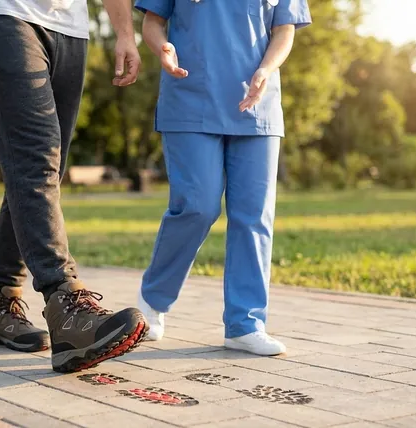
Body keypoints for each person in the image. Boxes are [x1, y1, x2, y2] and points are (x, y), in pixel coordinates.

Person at [0, 0, 149, 372]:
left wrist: (125, 33)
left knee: (42, 169)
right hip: (4, 13)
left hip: (71, 26)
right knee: (36, 162)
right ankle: (66, 305)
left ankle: (0, 301)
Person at [134, 0, 311, 355]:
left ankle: (245, 324)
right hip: (191, 98)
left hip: (256, 103)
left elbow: (284, 31)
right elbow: (153, 24)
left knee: (254, 215)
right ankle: (152, 300)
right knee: (197, 206)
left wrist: (265, 69)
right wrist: (163, 49)